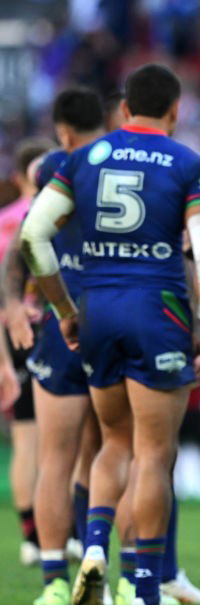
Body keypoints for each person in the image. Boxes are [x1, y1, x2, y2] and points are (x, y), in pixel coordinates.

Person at [20, 63, 200, 605]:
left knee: (111, 443)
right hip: (157, 311)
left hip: (97, 310)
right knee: (154, 453)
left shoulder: (80, 160)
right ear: (176, 110)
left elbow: (31, 236)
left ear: (124, 107)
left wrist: (64, 311)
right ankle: (145, 596)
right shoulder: (189, 165)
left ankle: (91, 550)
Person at [8, 88, 105, 605]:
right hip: (117, 320)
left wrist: (14, 303)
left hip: (60, 324)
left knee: (54, 456)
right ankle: (120, 569)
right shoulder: (124, 166)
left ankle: (53, 578)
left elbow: (25, 243)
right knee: (119, 452)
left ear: (63, 128)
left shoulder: (53, 169)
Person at [0, 137, 50, 567]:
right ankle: (65, 535)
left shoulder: (4, 220)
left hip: (10, 338)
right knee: (67, 442)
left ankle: (32, 536)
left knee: (25, 439)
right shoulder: (58, 216)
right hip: (49, 330)